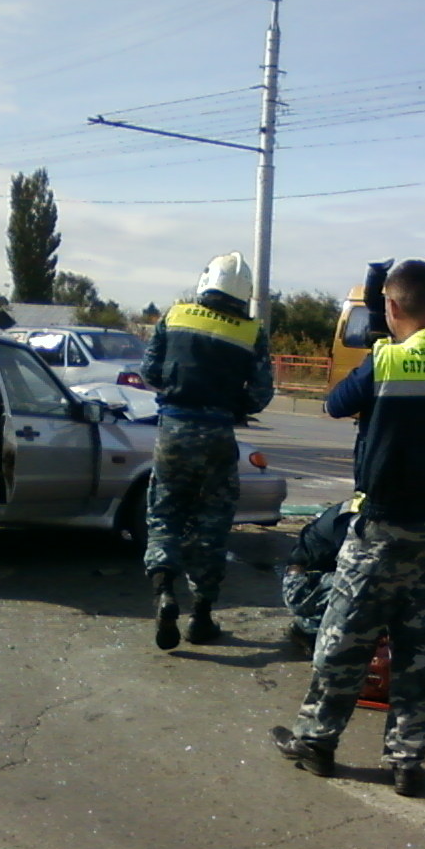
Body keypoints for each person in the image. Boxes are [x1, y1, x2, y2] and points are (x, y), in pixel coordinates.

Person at [270, 259, 425, 798]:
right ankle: (407, 761)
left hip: (385, 527)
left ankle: (317, 742)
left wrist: (380, 344)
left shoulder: (386, 361)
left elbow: (335, 403)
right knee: (419, 647)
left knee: (344, 639)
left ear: (390, 306)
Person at [139, 252, 274, 650]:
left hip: (173, 432)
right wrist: (234, 406)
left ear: (206, 282)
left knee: (165, 513)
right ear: (243, 292)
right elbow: (261, 393)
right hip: (218, 436)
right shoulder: (251, 331)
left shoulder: (175, 315)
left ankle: (164, 592)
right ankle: (200, 616)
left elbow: (150, 371)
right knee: (212, 524)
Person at [279, 498, 355, 655]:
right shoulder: (356, 516)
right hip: (302, 587)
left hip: (327, 575)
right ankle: (308, 627)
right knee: (369, 589)